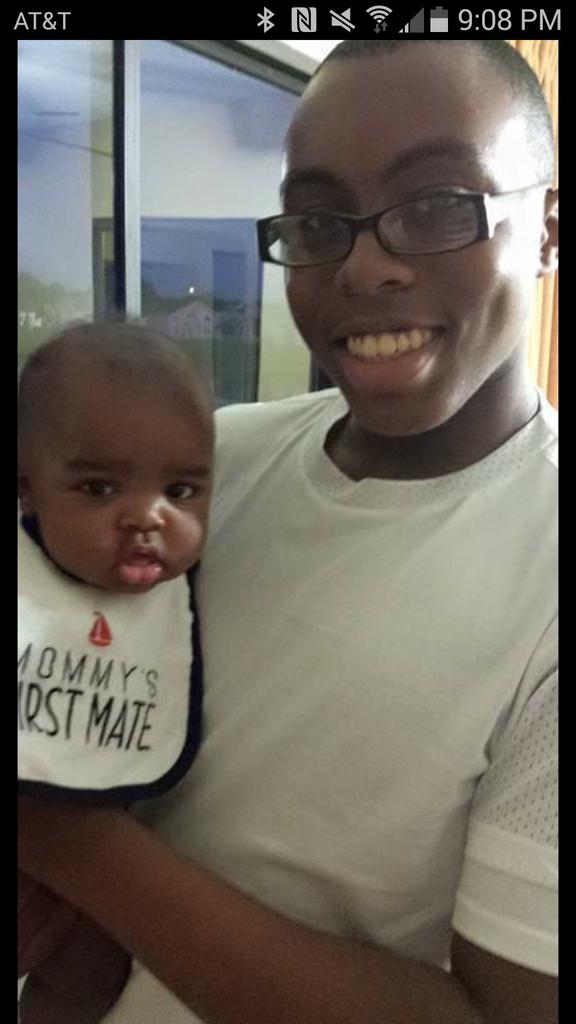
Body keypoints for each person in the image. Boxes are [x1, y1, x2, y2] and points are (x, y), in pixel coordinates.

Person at [18, 39, 558, 1024]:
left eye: (438, 204)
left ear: (548, 226)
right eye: (317, 221)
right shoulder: (205, 472)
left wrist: (67, 839)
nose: (366, 264)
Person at [18, 322, 214, 1021]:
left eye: (181, 490)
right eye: (99, 488)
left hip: (102, 880)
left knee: (92, 971)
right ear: (27, 489)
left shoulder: (178, 601)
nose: (147, 517)